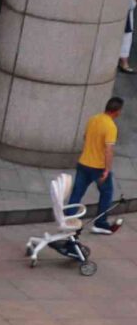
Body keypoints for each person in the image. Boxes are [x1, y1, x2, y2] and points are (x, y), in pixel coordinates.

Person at [71, 95, 123, 234]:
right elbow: (108, 150)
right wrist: (107, 170)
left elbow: (85, 137)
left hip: (83, 162)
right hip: (98, 167)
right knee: (106, 194)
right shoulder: (111, 126)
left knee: (77, 193)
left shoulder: (93, 119)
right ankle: (100, 223)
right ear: (117, 111)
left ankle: (68, 220)